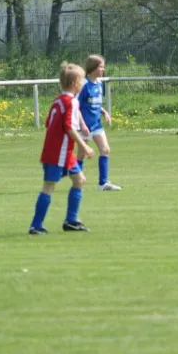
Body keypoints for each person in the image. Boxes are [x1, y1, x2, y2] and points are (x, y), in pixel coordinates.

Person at [28, 62, 95, 235]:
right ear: (74, 84)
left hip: (63, 153)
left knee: (79, 180)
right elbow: (69, 128)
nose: (83, 84)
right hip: (58, 154)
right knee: (49, 187)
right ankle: (36, 225)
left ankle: (71, 221)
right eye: (81, 81)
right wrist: (85, 147)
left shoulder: (58, 100)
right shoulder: (71, 102)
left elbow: (48, 123)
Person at [76, 54, 122, 191]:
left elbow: (95, 104)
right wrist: (83, 125)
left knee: (105, 150)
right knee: (81, 154)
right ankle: (77, 182)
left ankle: (103, 184)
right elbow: (75, 106)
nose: (103, 70)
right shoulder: (83, 84)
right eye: (101, 67)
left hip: (96, 124)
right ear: (93, 67)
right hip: (83, 125)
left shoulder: (99, 84)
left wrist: (105, 112)